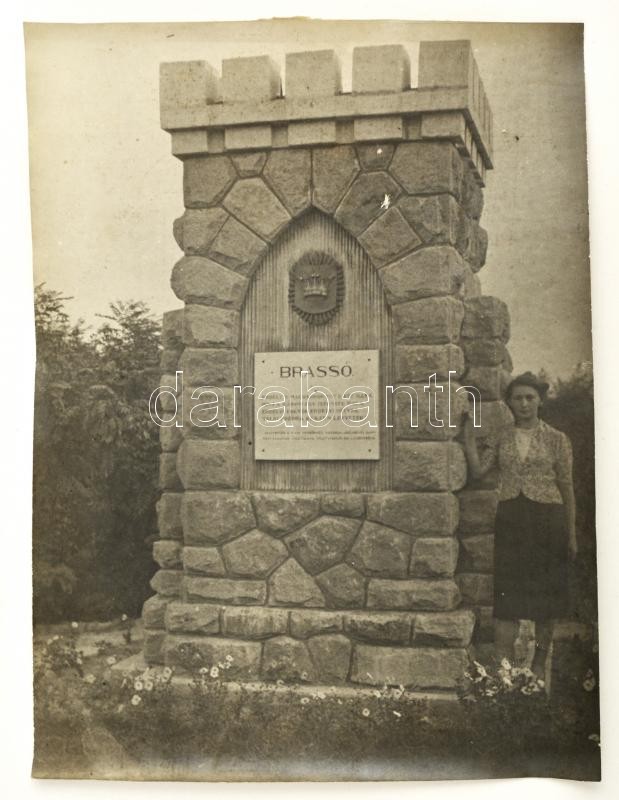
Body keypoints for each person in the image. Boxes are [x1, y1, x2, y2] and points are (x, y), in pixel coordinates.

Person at [462, 371, 577, 682]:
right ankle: (504, 669)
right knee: (508, 597)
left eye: (530, 397)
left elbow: (567, 488)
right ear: (510, 403)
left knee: (547, 600)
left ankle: (538, 662)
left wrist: (571, 533)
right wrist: (469, 437)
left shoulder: (557, 439)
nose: (524, 404)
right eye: (517, 398)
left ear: (540, 400)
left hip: (549, 521)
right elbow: (479, 471)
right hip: (512, 519)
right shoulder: (502, 436)